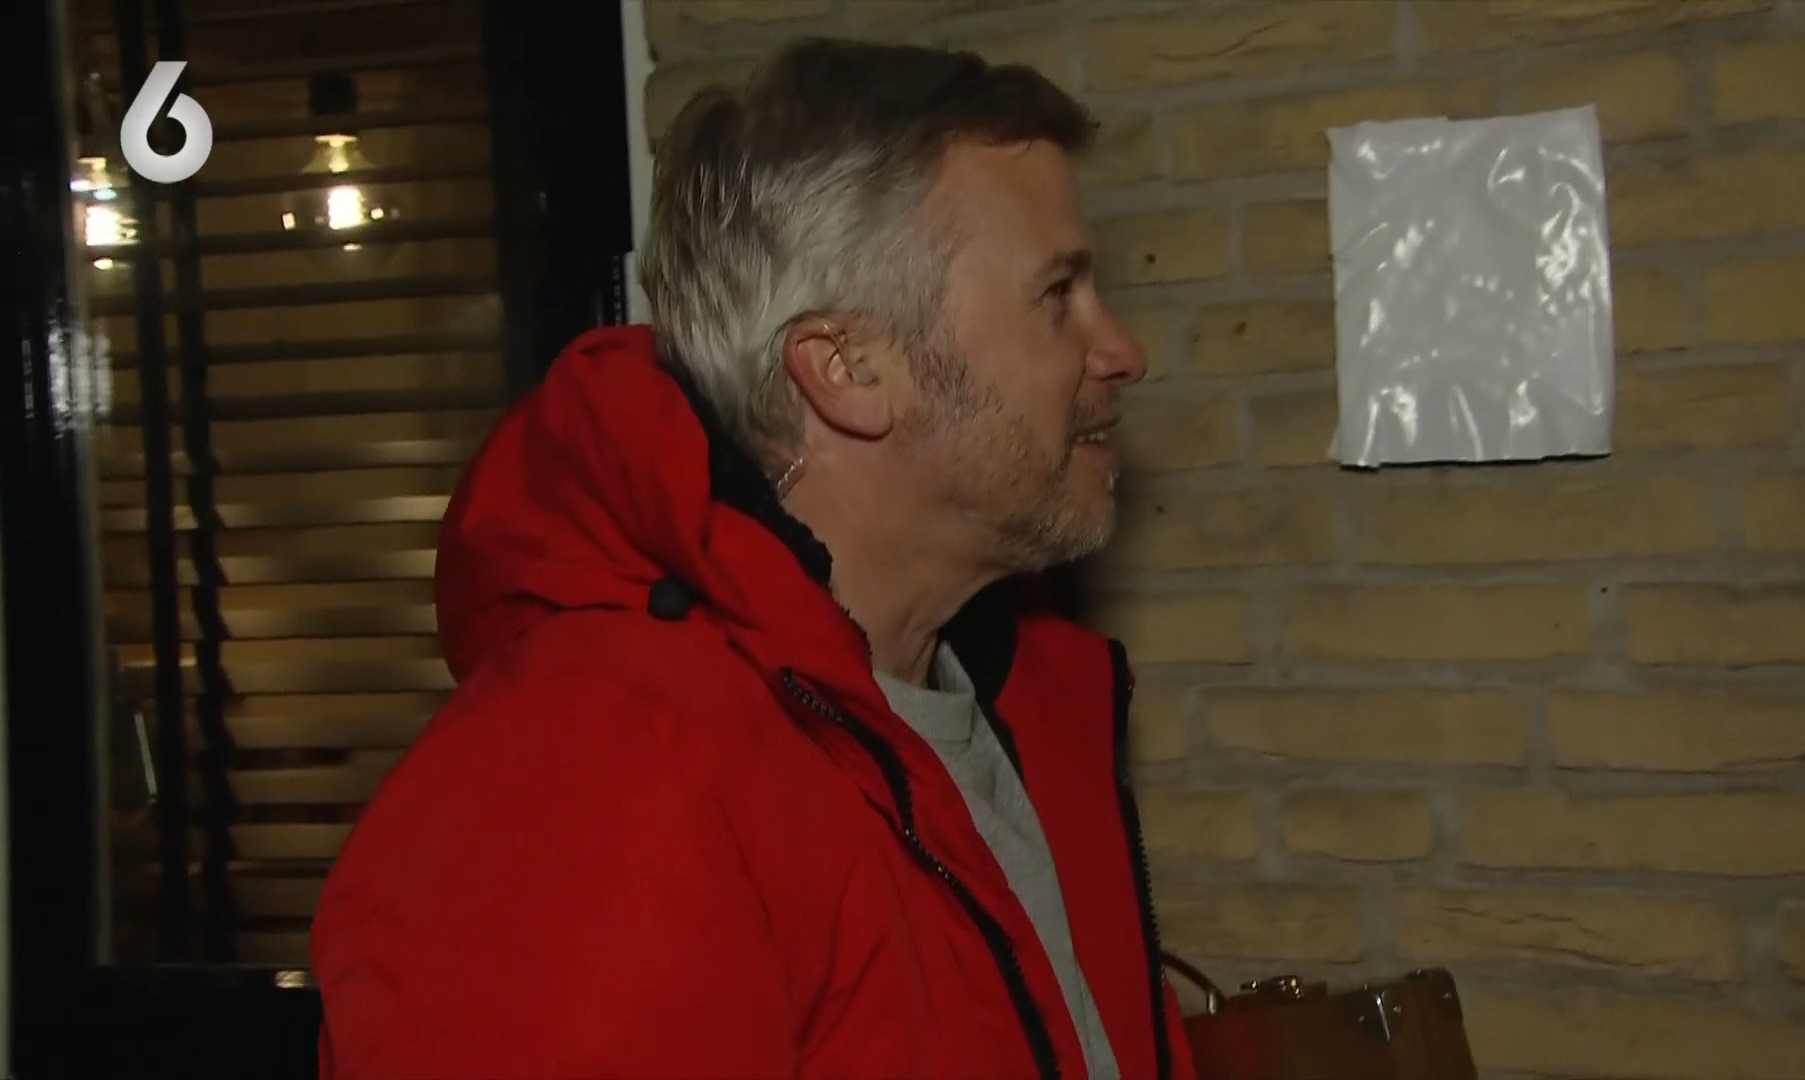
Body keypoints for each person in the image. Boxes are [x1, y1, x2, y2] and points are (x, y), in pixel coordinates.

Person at [310, 34, 1194, 1080]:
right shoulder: (591, 789)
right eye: (1057, 296)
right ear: (848, 369)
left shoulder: (1010, 706)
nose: (1121, 351)